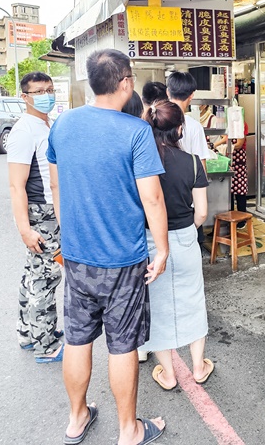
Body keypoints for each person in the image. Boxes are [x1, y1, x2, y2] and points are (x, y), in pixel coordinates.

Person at [47, 49, 169, 445]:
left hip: (78, 257)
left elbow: (56, 185)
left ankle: (77, 418)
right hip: (123, 260)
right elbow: (152, 199)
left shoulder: (63, 124)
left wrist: (71, 234)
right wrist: (163, 249)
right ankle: (129, 430)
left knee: (77, 339)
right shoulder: (135, 131)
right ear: (126, 82)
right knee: (122, 346)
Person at [141, 100, 213, 391]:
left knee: (156, 305)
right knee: (193, 300)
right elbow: (203, 212)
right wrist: (186, 231)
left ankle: (169, 374)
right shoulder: (193, 162)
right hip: (184, 236)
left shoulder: (141, 162)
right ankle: (198, 367)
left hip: (149, 241)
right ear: (180, 129)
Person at [6, 71, 64, 363]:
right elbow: (17, 186)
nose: (46, 94)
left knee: (33, 275)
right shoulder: (24, 130)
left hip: (50, 212)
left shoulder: (46, 125)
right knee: (45, 278)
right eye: (39, 90)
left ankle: (29, 335)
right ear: (24, 96)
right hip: (42, 213)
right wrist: (25, 230)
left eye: (50, 89)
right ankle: (47, 345)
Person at [166, 72, 210, 169]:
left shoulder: (156, 120)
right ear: (191, 95)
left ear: (167, 92)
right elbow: (200, 166)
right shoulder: (194, 126)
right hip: (187, 182)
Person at [229, 117, 249, 224]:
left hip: (239, 162)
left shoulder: (242, 125)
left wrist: (227, 147)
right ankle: (231, 219)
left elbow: (239, 144)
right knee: (228, 193)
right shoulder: (226, 124)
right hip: (229, 161)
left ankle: (242, 221)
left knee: (240, 191)